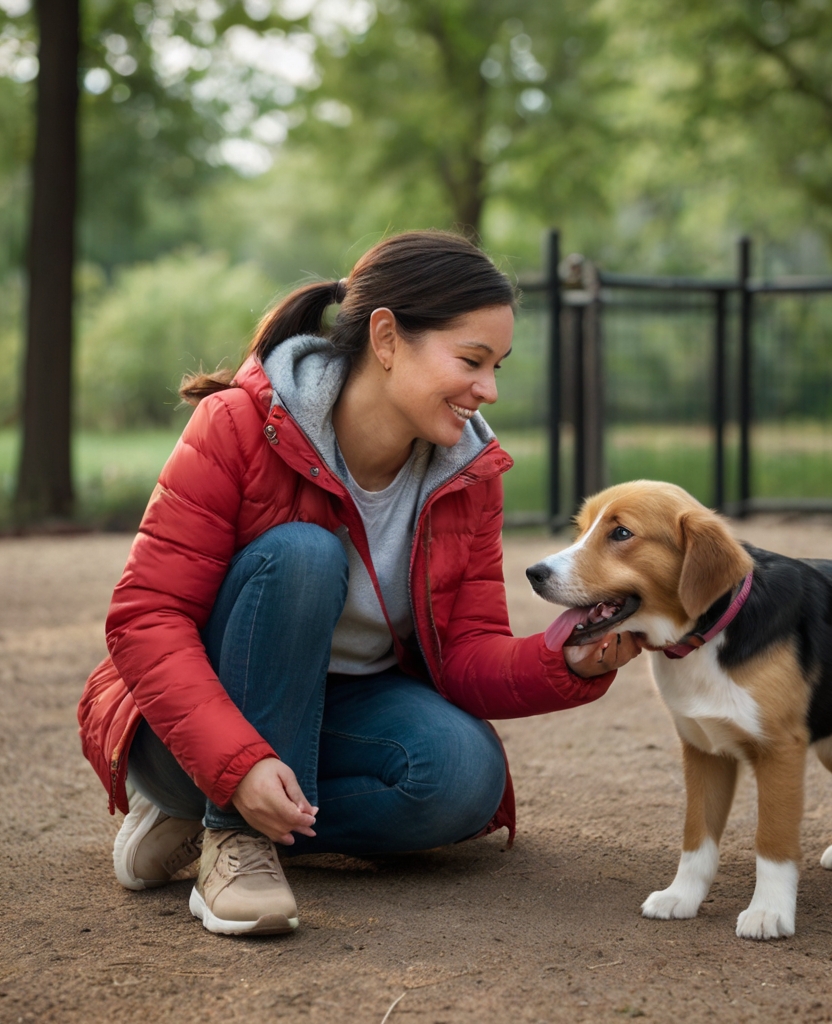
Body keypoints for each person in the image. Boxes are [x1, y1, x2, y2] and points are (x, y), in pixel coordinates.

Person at [78, 230, 642, 937]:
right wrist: (235, 765)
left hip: (342, 712)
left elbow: (467, 650)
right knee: (305, 556)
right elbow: (146, 617)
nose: (489, 390)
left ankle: (198, 816)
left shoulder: (468, 474)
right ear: (386, 338)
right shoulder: (239, 424)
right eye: (471, 361)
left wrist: (565, 660)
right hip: (184, 727)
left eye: (496, 367)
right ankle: (233, 834)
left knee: (464, 776)